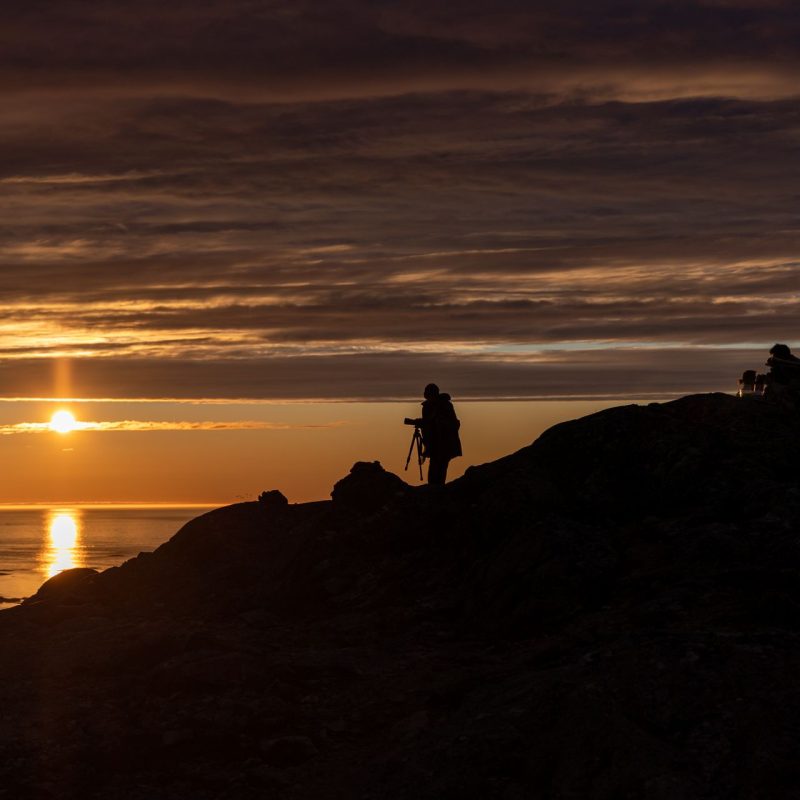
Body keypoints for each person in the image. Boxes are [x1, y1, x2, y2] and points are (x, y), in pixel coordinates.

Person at [412, 383, 462, 485]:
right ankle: (436, 490)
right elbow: (429, 422)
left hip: (444, 443)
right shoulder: (429, 406)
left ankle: (437, 492)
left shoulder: (444, 405)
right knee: (436, 469)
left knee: (439, 468)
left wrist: (435, 423)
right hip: (435, 444)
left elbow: (451, 423)